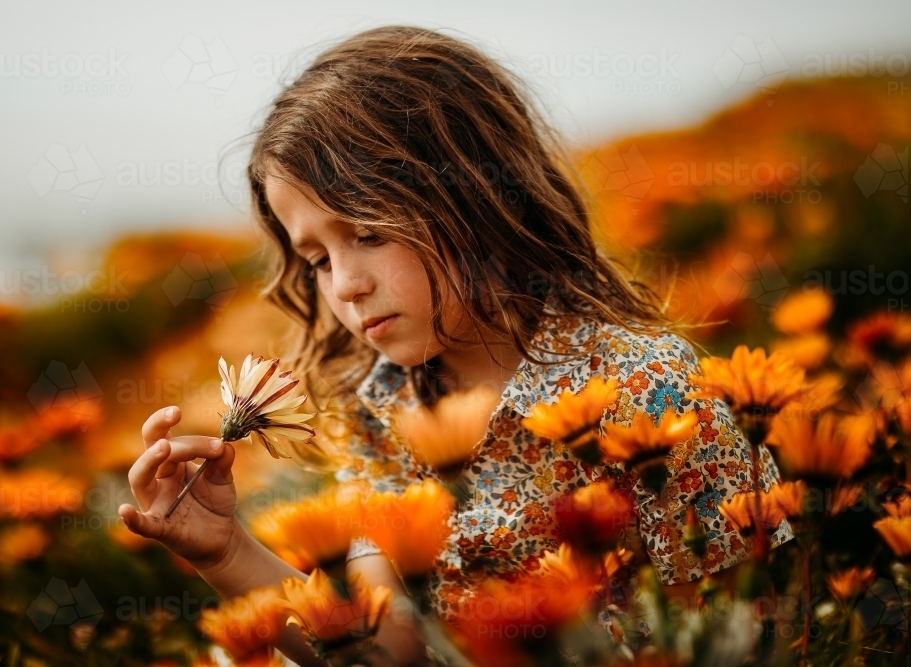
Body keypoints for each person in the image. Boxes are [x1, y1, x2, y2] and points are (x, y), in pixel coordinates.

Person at [118, 25, 792, 666]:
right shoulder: (380, 410)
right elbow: (382, 649)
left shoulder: (645, 388)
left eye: (368, 232)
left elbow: (752, 622)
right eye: (318, 258)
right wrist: (226, 552)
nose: (346, 285)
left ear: (473, 193)